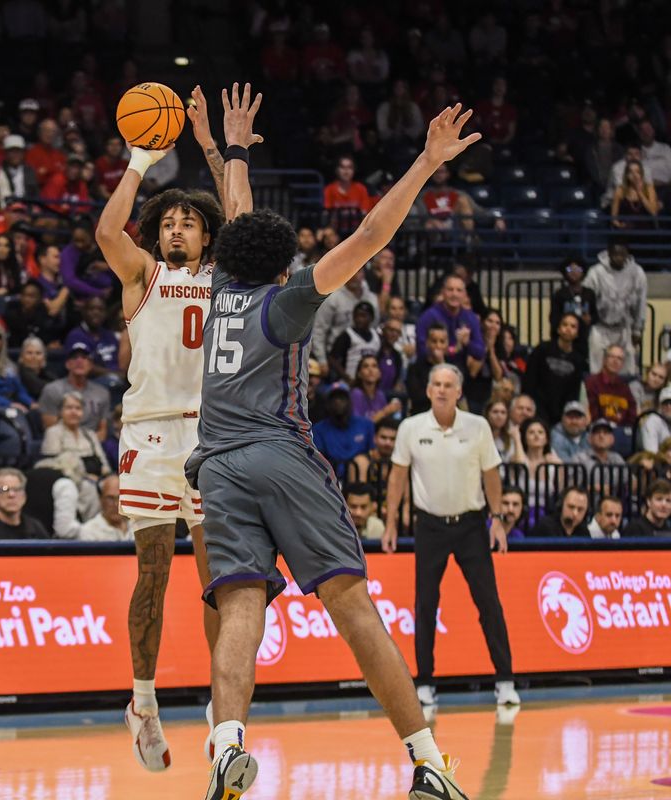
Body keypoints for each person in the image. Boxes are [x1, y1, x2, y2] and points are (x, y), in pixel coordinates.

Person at [185, 92, 478, 798]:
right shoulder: (287, 300)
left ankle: (226, 745)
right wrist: (426, 162)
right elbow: (374, 232)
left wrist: (233, 150)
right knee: (351, 607)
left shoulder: (221, 286)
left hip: (215, 467)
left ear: (230, 253)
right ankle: (429, 764)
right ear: (282, 260)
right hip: (279, 457)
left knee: (241, 608)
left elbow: (238, 210)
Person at [93, 82, 235, 774]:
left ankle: (220, 705)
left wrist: (211, 146)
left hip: (208, 439)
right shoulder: (141, 273)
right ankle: (143, 703)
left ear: (206, 235)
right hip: (148, 435)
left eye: (188, 221)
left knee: (217, 579)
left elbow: (243, 216)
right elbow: (104, 232)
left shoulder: (225, 279)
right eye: (169, 221)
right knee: (152, 573)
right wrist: (140, 162)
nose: (176, 227)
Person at [384, 363, 519, 709]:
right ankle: (425, 682)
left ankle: (505, 680)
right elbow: (398, 477)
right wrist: (391, 523)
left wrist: (498, 519)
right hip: (429, 526)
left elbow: (491, 476)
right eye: (437, 384)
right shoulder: (411, 428)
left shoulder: (478, 427)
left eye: (449, 384)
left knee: (489, 602)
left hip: (472, 525)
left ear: (459, 392)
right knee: (426, 605)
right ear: (428, 391)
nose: (442, 390)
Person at [583, 241, 646, 375]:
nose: (618, 258)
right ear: (608, 254)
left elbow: (641, 303)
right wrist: (585, 314)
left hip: (624, 328)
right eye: (615, 254)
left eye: (622, 254)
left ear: (627, 255)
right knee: (597, 368)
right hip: (600, 327)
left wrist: (637, 330)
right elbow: (585, 297)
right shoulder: (596, 272)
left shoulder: (637, 273)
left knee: (627, 368)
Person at [522, 313, 587, 425]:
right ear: (558, 329)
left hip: (562, 412)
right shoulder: (542, 349)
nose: (568, 329)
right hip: (538, 407)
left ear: (577, 333)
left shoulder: (578, 360)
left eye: (573, 326)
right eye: (565, 324)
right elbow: (530, 379)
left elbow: (574, 391)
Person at [312, 382, 376, 472]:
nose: (337, 401)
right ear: (327, 403)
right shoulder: (318, 429)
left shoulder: (366, 425)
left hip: (361, 478)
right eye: (333, 398)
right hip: (331, 479)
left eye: (342, 397)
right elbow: (318, 461)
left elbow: (374, 454)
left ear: (350, 401)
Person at [0, 468, 51, 540]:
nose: (11, 494)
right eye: (5, 489)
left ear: (24, 497)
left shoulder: (35, 527)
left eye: (17, 489)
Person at [585, 344, 638, 426]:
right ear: (604, 360)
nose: (615, 361)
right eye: (612, 357)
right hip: (599, 430)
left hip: (621, 432)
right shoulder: (591, 383)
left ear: (622, 364)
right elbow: (592, 415)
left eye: (619, 359)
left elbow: (632, 414)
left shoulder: (624, 387)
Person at [78, 475, 133, 541]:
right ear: (101, 499)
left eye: (119, 498)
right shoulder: (88, 531)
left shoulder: (137, 526)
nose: (116, 504)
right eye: (110, 498)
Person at [639, 387, 671, 453]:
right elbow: (651, 454)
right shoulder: (652, 422)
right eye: (665, 402)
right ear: (660, 405)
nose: (669, 406)